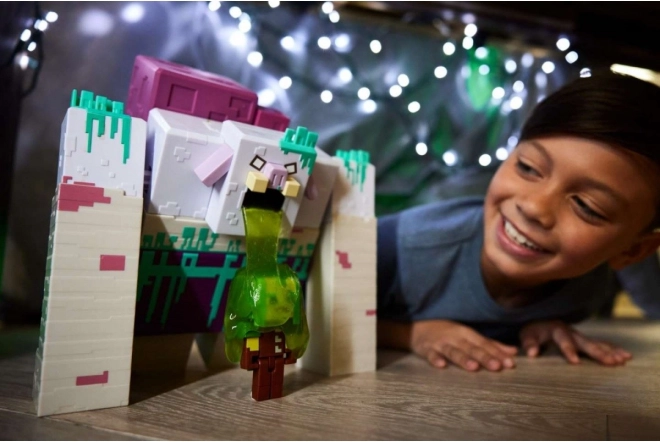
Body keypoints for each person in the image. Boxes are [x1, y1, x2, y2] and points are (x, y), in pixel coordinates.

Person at [376, 71, 660, 372]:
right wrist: (411, 334)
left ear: (632, 251)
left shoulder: (587, 289)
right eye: (528, 167)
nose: (534, 207)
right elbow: (335, 317)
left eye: (586, 206)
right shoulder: (399, 246)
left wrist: (532, 326)